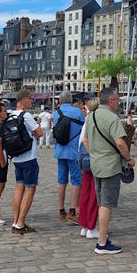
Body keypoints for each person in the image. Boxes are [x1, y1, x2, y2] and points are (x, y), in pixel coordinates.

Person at [83, 86, 135, 255]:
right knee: (106, 204)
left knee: (101, 202)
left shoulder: (91, 116)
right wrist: (128, 158)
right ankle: (102, 243)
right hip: (110, 165)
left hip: (96, 164)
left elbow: (85, 140)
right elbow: (120, 143)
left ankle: (102, 236)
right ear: (111, 101)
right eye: (118, 99)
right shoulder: (112, 118)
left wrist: (94, 153)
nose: (119, 102)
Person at [10, 89, 43, 235]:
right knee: (30, 189)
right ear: (23, 99)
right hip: (29, 157)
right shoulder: (26, 116)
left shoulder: (10, 115)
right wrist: (34, 131)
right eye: (30, 98)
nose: (31, 101)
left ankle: (15, 220)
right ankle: (21, 223)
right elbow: (40, 133)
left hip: (16, 157)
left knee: (19, 188)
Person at [53, 91, 85, 223]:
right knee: (76, 181)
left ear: (60, 101)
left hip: (60, 150)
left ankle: (61, 211)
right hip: (73, 151)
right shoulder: (77, 112)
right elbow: (83, 129)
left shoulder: (56, 113)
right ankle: (72, 211)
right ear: (71, 100)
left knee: (62, 181)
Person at [77, 99, 99, 240]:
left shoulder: (86, 121)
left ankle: (84, 225)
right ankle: (91, 226)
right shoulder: (95, 121)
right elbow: (86, 140)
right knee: (94, 194)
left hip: (83, 160)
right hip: (93, 159)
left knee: (85, 192)